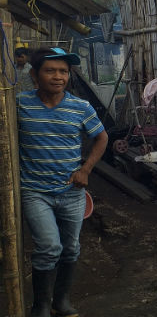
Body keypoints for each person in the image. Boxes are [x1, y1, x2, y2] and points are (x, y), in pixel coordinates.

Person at [18, 48, 108, 317]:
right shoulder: (20, 104)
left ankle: (61, 300)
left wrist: (86, 169)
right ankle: (41, 306)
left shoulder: (80, 107)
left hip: (72, 191)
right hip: (35, 191)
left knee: (70, 248)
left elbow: (101, 138)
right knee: (49, 246)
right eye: (50, 70)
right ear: (35, 75)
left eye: (63, 72)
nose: (58, 77)